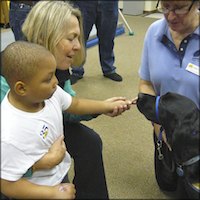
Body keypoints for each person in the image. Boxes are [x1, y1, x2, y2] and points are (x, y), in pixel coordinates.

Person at [1, 1, 132, 199]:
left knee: (89, 142)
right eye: (71, 38)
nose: (79, 46)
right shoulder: (8, 82)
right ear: (47, 36)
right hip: (14, 151)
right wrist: (37, 164)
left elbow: (70, 105)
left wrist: (104, 106)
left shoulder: (54, 69)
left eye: (79, 38)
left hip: (43, 126)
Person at [138, 0, 199, 198]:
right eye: (165, 7)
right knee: (170, 188)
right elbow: (146, 85)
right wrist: (162, 132)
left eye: (179, 8)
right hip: (165, 138)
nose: (171, 16)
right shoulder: (155, 32)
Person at [70, 0, 123, 84]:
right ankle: (77, 70)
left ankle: (108, 69)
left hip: (109, 3)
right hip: (84, 3)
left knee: (108, 37)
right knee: (80, 37)